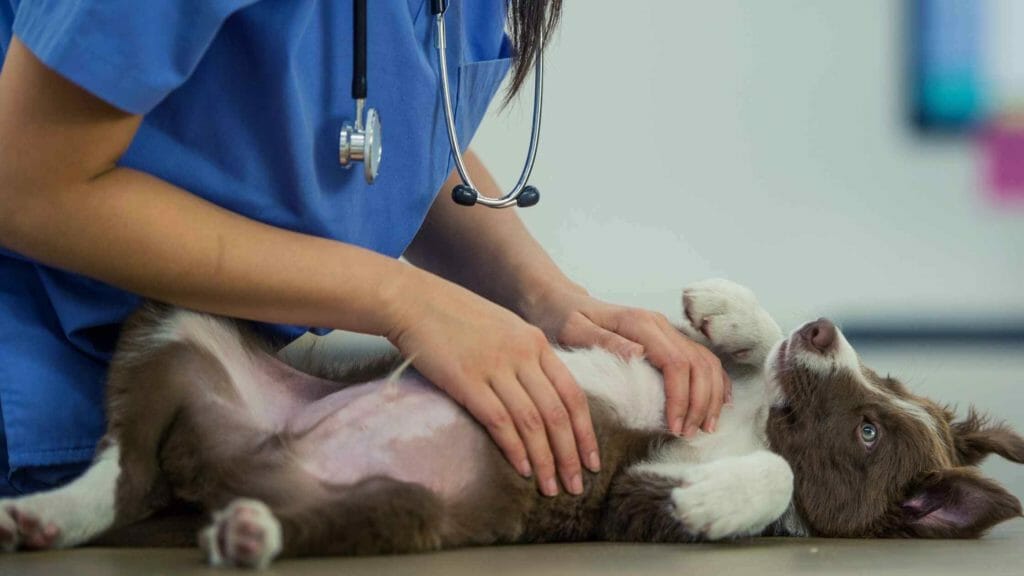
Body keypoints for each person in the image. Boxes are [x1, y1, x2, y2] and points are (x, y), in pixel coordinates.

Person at [0, 1, 727, 500]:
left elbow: (381, 134)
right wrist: (401, 298)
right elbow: (28, 186)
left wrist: (547, 297)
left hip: (213, 410)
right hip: (42, 399)